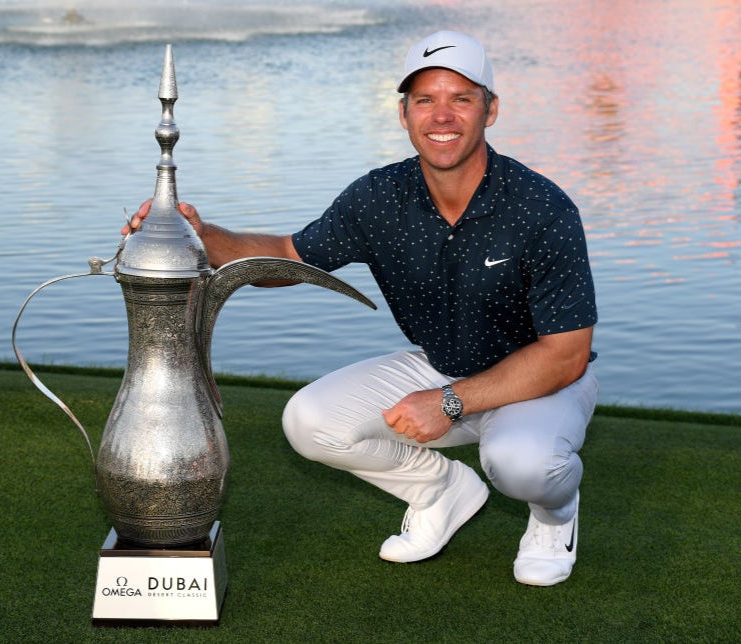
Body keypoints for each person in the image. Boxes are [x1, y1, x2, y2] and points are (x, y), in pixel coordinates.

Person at [126, 30, 598, 586]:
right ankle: (441, 491)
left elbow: (566, 355)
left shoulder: (541, 208)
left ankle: (552, 520)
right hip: (441, 365)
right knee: (309, 422)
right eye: (425, 100)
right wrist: (200, 237)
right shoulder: (379, 197)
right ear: (404, 114)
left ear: (491, 109)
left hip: (540, 379)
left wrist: (448, 401)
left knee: (522, 464)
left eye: (461, 98)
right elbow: (287, 256)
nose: (441, 115)